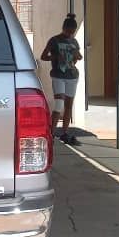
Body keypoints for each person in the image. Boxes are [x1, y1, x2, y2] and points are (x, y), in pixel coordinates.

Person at [40, 13, 83, 146]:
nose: (70, 34)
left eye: (72, 32)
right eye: (68, 31)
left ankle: (64, 133)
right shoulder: (54, 40)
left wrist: (77, 56)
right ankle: (51, 134)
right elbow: (43, 56)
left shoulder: (74, 41)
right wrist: (56, 57)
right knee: (59, 104)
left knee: (69, 105)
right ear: (63, 28)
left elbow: (78, 57)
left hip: (72, 76)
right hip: (58, 76)